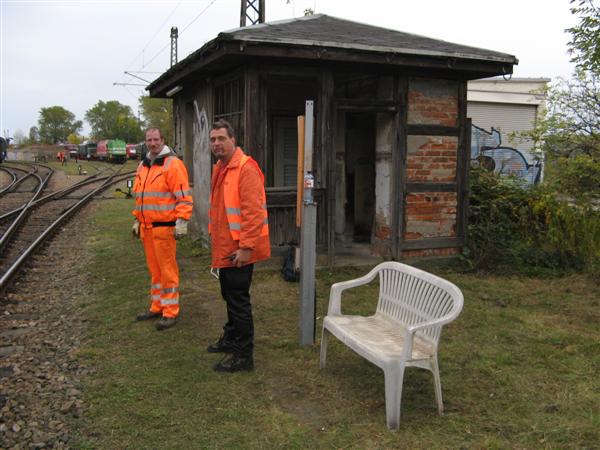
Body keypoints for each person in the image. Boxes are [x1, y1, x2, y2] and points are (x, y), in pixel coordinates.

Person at [207, 119, 270, 373]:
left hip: (239, 250)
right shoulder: (220, 167)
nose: (216, 144)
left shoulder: (246, 168)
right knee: (229, 296)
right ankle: (232, 338)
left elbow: (253, 213)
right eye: (213, 140)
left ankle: (244, 356)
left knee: (238, 301)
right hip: (224, 247)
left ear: (233, 139)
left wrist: (246, 248)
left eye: (221, 138)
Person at [132, 127, 193, 330]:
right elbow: (140, 197)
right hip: (147, 229)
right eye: (149, 140)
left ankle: (170, 311)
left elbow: (183, 196)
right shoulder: (143, 165)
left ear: (163, 140)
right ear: (146, 141)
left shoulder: (173, 165)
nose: (153, 143)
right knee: (155, 271)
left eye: (156, 139)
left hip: (164, 229)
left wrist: (182, 222)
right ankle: (157, 306)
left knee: (167, 271)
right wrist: (137, 220)